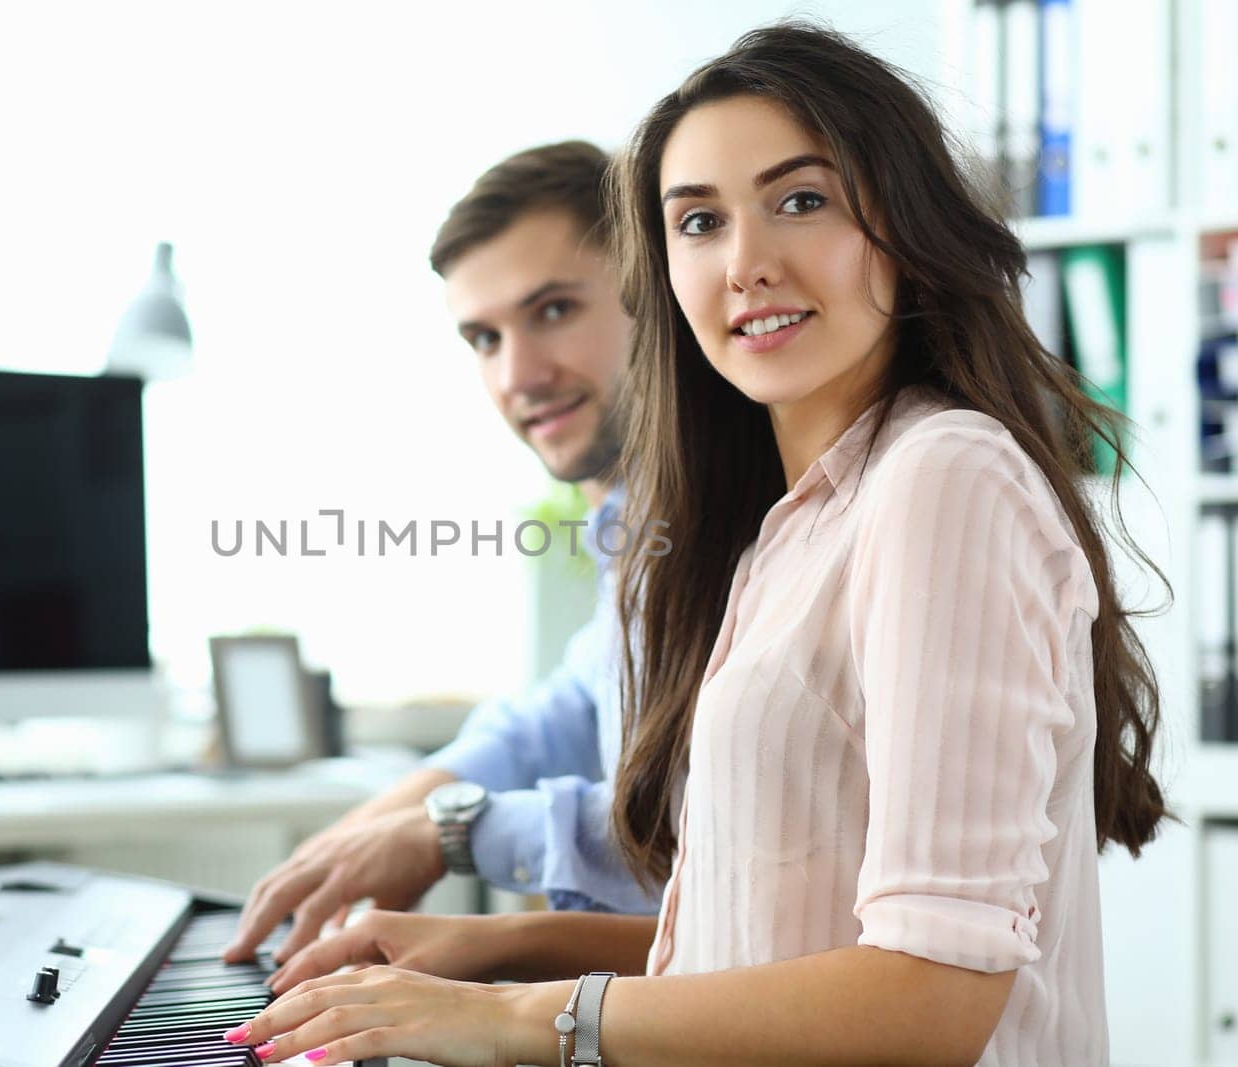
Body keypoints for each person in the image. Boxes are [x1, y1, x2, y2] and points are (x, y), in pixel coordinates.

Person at [220, 21, 1170, 1066]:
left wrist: (511, 1013)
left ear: (901, 227)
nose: (746, 263)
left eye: (799, 201)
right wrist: (499, 942)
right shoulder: (786, 526)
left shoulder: (941, 477)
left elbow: (930, 996)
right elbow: (755, 936)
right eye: (700, 222)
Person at [222, 141, 660, 969]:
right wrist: (375, 827)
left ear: (655, 293)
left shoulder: (746, 518)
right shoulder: (634, 523)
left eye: (555, 310)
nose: (518, 374)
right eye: (484, 338)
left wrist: (447, 830)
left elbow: (698, 831)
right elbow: (562, 713)